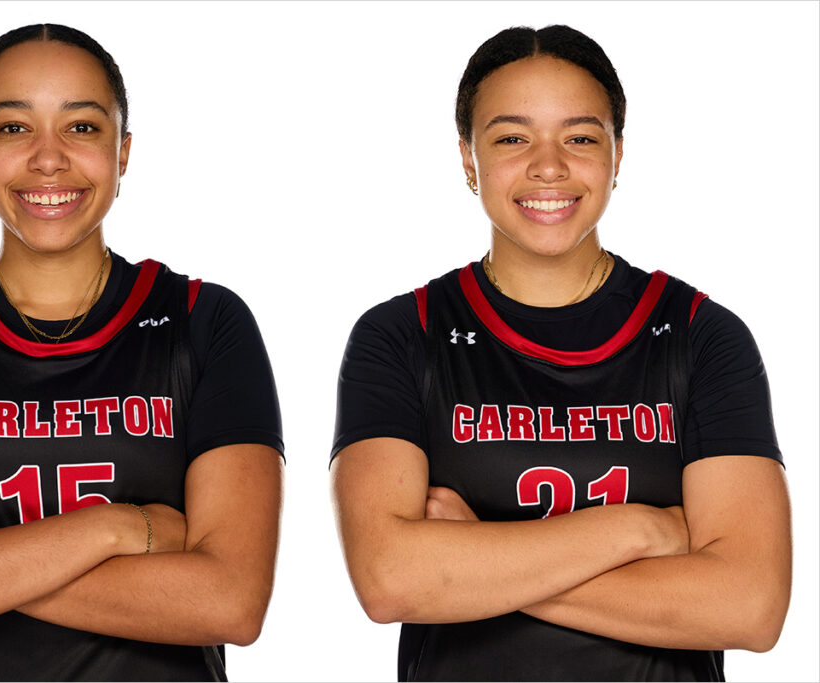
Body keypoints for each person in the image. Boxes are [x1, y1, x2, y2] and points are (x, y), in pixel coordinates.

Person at [0, 23, 283, 681]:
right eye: (12, 128)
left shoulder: (204, 322)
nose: (48, 158)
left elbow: (231, 602)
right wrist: (119, 529)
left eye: (83, 128)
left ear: (123, 152)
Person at [330, 24, 790, 681]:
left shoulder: (702, 335)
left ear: (618, 153)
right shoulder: (402, 335)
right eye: (513, 138)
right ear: (468, 158)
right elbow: (389, 578)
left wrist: (474, 560)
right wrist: (642, 530)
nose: (550, 166)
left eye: (580, 137)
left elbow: (752, 604)